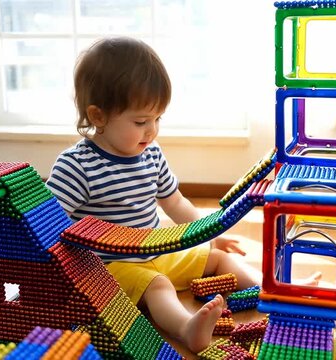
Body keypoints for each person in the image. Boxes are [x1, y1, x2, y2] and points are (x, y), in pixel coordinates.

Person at [46, 36, 320, 353]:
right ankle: (186, 328)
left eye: (157, 118)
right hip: (111, 266)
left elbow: (174, 201)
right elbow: (49, 224)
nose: (152, 131)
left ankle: (277, 290)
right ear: (98, 117)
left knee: (218, 259)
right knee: (158, 286)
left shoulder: (149, 153)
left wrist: (208, 235)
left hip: (155, 248)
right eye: (140, 121)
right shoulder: (77, 166)